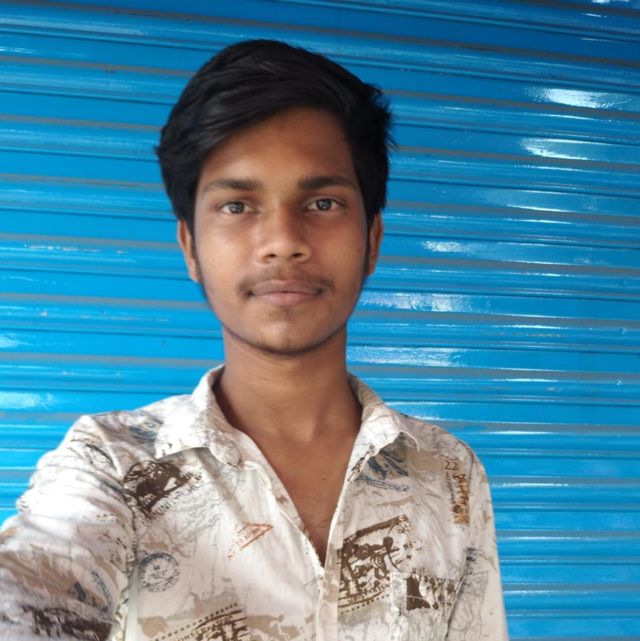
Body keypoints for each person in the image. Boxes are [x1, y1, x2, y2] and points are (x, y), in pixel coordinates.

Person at [0, 39, 508, 641]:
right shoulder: (113, 465)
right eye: (238, 206)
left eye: (323, 202)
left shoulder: (448, 473)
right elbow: (37, 583)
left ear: (372, 241)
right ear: (190, 247)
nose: (283, 241)